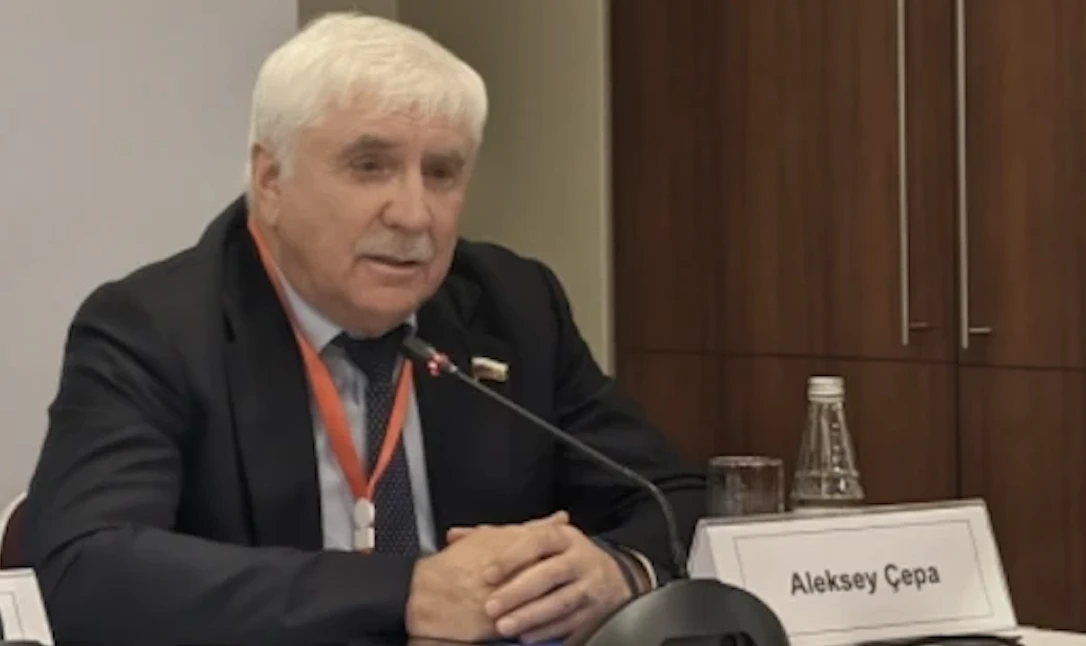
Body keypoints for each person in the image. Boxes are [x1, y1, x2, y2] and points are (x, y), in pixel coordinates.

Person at [20, 12, 705, 646]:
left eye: (441, 173)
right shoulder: (154, 329)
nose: (413, 214)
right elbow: (87, 567)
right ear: (270, 180)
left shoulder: (511, 307)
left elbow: (677, 498)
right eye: (370, 166)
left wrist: (620, 570)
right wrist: (406, 591)